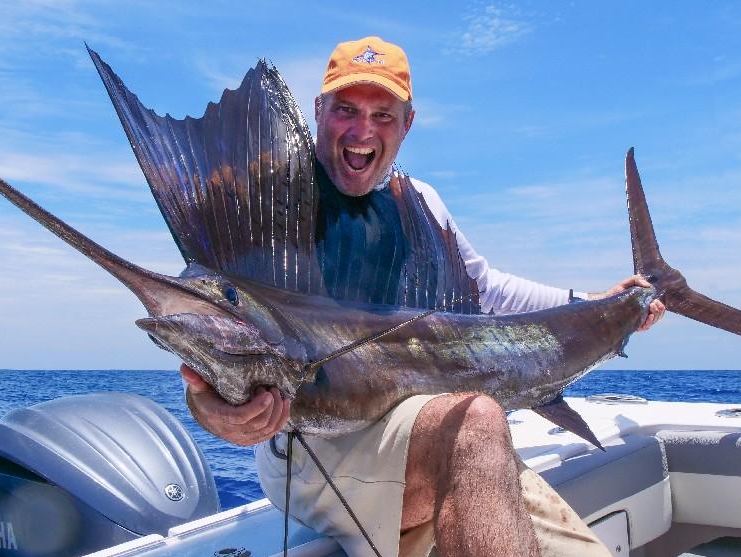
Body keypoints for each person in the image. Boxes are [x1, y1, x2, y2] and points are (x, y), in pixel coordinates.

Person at [182, 36, 665, 557]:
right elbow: (208, 321)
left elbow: (488, 292)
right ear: (319, 111)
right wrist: (211, 407)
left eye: (382, 115)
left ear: (407, 124)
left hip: (439, 431)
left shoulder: (420, 202)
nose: (362, 131)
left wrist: (598, 299)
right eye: (346, 109)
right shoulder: (270, 200)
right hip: (316, 453)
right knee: (478, 421)